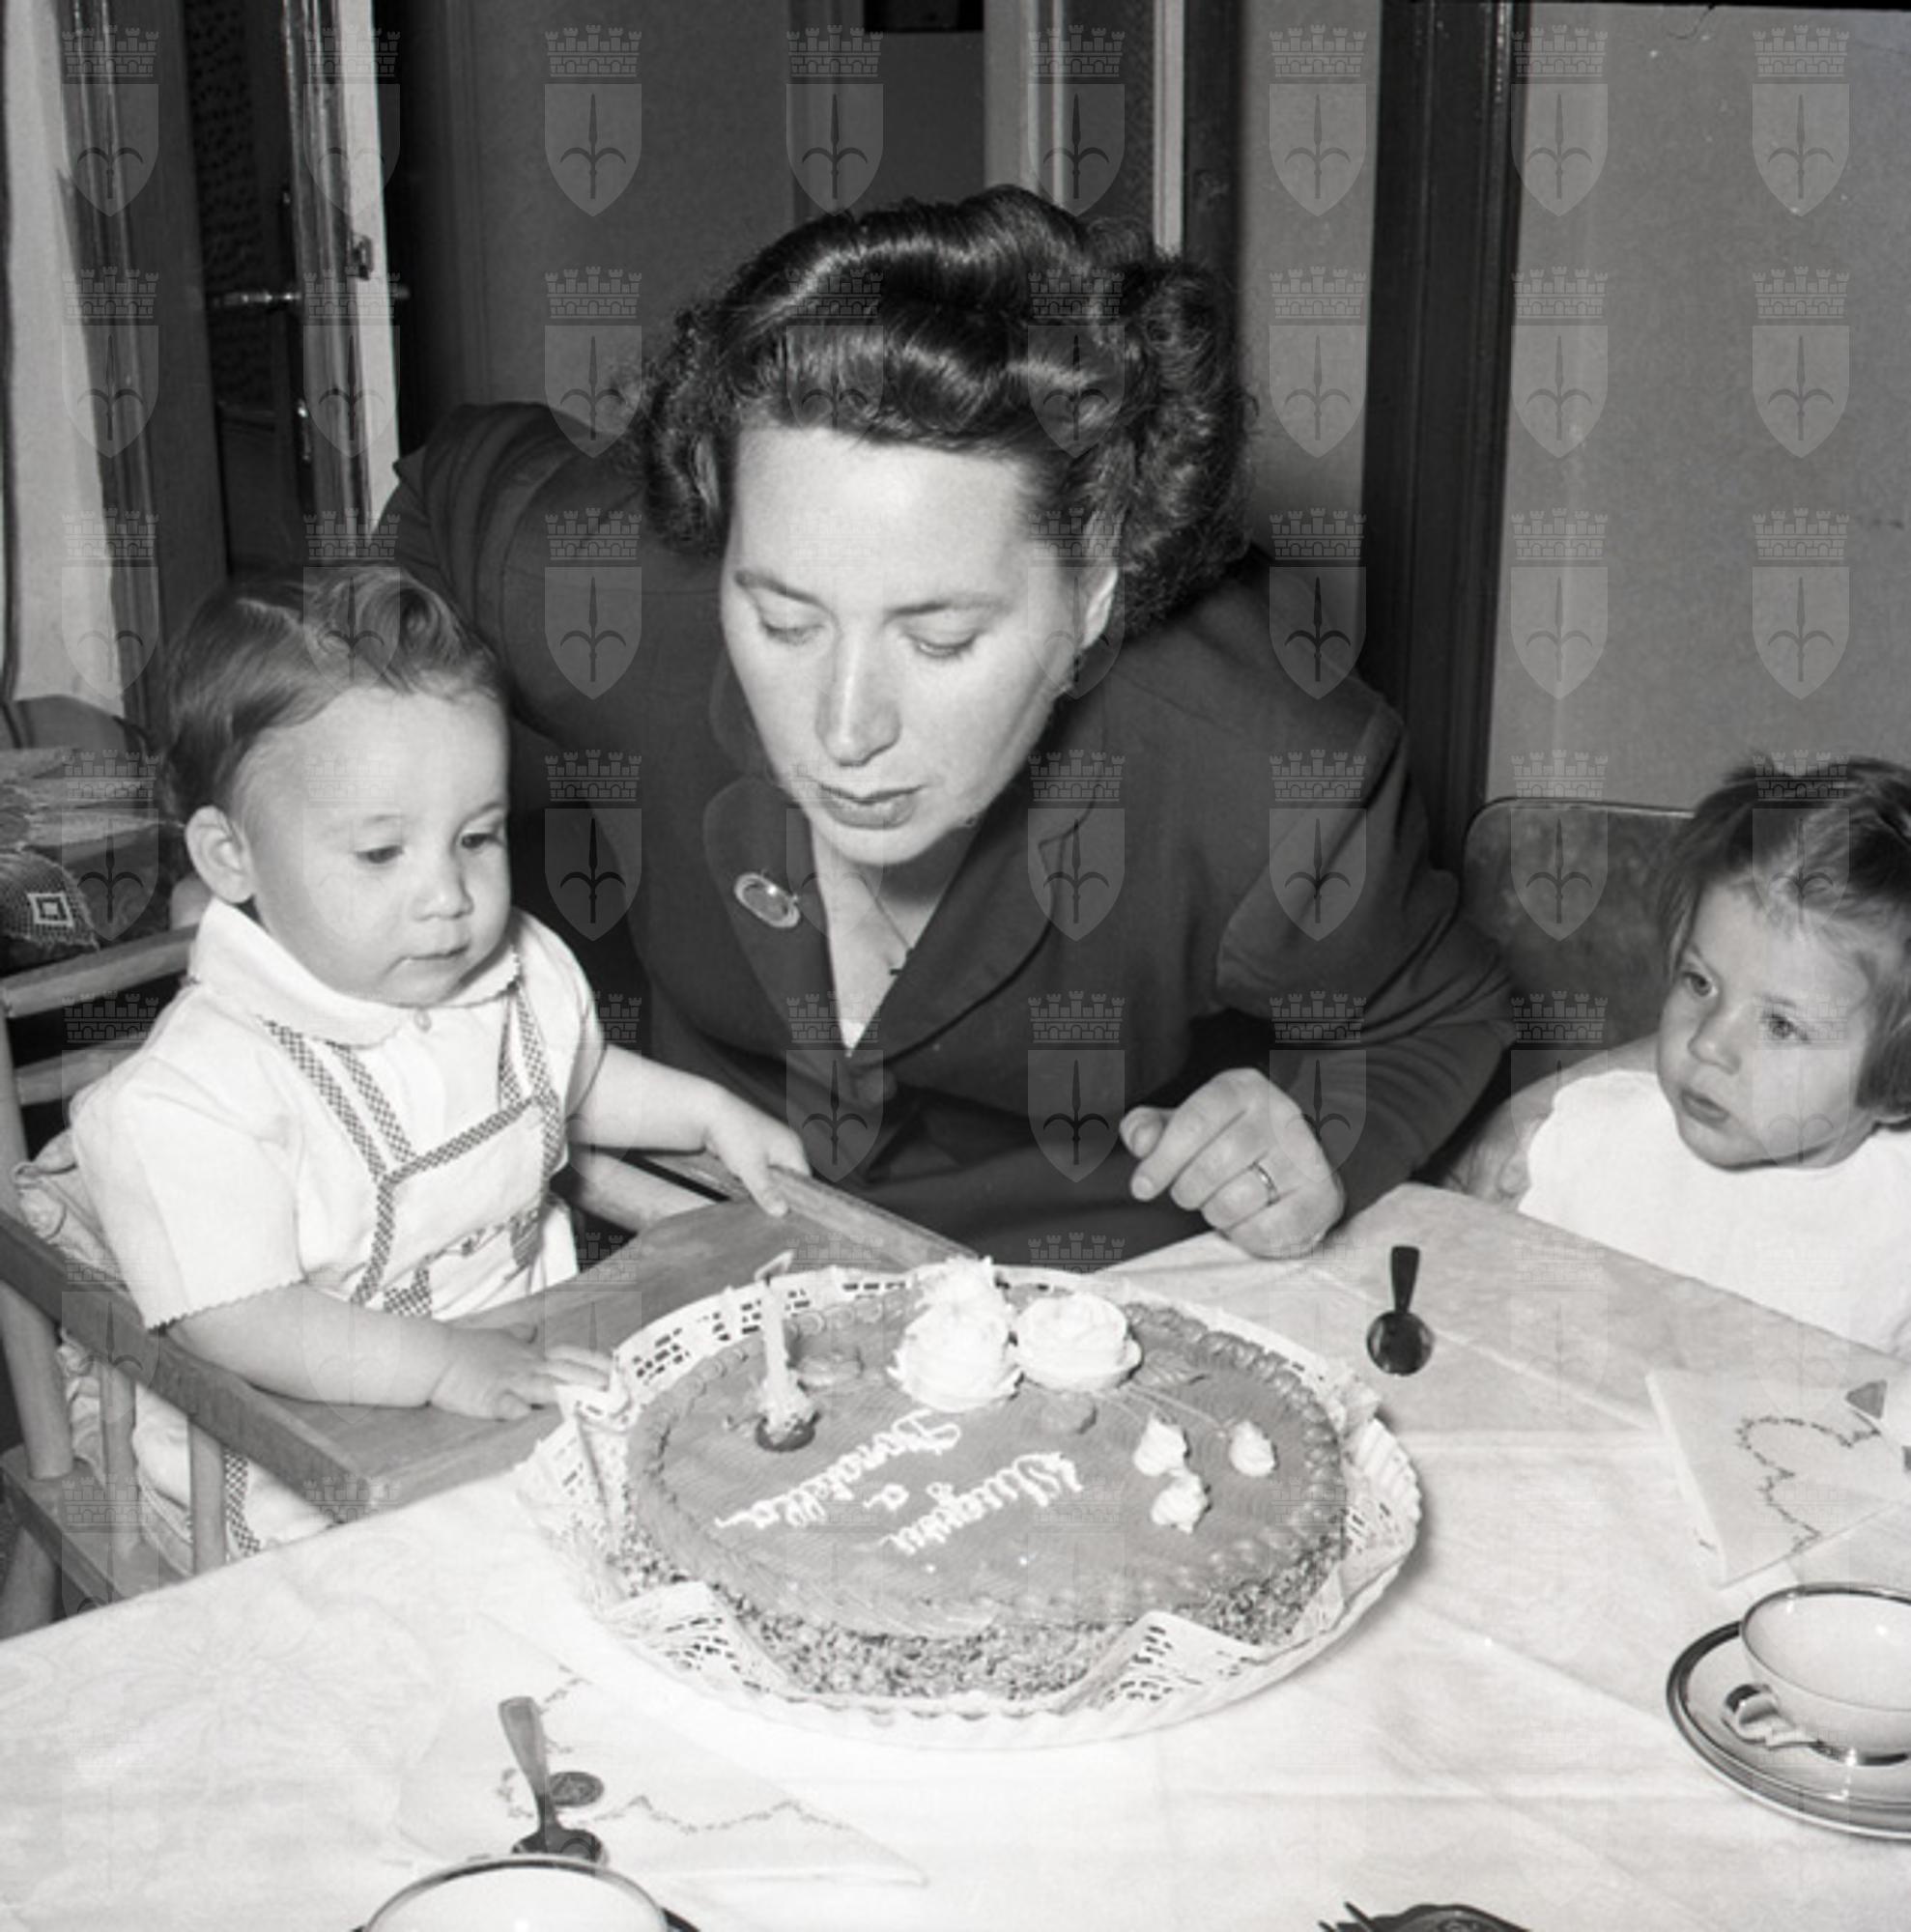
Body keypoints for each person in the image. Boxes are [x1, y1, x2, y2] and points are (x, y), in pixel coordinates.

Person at [388, 185, 1511, 1264]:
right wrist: (388, 825)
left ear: (1094, 592)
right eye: (783, 622)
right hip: (693, 1245)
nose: (843, 730)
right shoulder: (606, 600)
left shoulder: (1273, 777)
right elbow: (441, 504)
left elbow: (1441, 1013)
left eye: (938, 640)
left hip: (1073, 1291)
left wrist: (1318, 1139)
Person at [46, 565, 808, 1558]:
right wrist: (441, 1366)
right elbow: (241, 1321)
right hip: (298, 1443)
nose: (449, 894)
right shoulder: (195, 1093)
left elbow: (570, 1079)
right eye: (381, 853)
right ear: (232, 858)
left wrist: (706, 1111)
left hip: (524, 1368)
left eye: (477, 837)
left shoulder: (509, 971)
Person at [1455, 758, 1911, 1354]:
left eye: (1780, 1025)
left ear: (1895, 1084)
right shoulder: (1586, 1141)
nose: (1707, 1043)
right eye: (1700, 983)